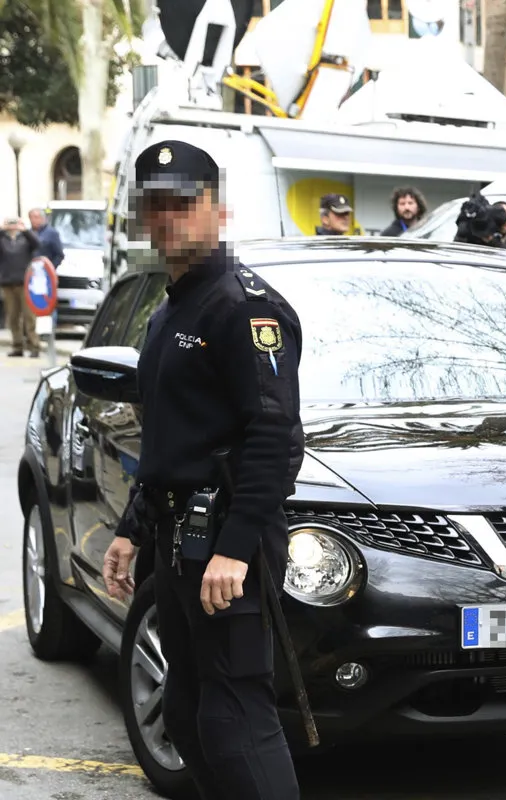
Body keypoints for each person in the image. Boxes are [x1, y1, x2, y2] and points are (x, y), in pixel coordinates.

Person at [100, 139, 304, 800]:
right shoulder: (169, 311)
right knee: (187, 713)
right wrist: (132, 527)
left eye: (183, 204)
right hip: (176, 540)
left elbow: (276, 438)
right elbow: (169, 438)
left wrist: (236, 551)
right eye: (155, 207)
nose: (167, 220)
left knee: (236, 718)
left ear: (219, 209)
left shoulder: (244, 307)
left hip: (225, 546)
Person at [1, 217, 41, 357]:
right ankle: (17, 345)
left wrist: (25, 230)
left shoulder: (25, 239)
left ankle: (34, 346)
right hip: (7, 284)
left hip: (25, 283)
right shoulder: (3, 240)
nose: (12, 226)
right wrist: (2, 229)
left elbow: (37, 244)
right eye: (10, 224)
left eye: (14, 223)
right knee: (12, 317)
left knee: (29, 316)